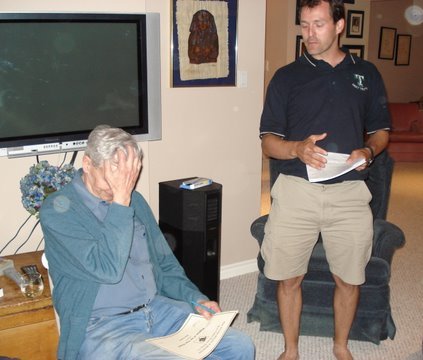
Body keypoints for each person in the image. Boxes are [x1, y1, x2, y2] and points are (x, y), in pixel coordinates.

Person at [40, 125, 255, 360]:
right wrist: (121, 201)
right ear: (88, 164)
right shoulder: (58, 211)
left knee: (240, 346)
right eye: (114, 176)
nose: (123, 186)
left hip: (156, 310)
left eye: (129, 176)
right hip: (103, 327)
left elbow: (166, 264)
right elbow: (107, 269)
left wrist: (195, 298)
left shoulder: (136, 201)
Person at [259, 1, 390, 360]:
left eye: (318, 24)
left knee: (349, 278)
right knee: (288, 278)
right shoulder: (287, 77)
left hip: (348, 191)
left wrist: (368, 151)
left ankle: (340, 345)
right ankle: (290, 349)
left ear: (340, 25)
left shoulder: (366, 74)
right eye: (304, 25)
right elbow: (268, 142)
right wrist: (297, 149)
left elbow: (381, 131)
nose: (309, 34)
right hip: (297, 189)